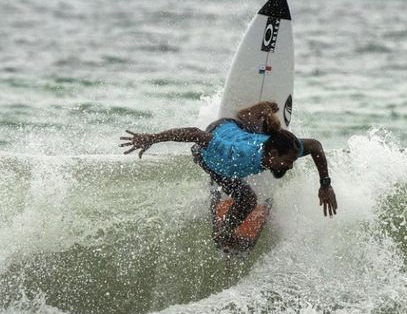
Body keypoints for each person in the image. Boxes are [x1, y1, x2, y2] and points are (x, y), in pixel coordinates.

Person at [120, 101, 337, 246]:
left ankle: (251, 115)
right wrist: (152, 138)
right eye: (288, 161)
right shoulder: (236, 153)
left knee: (251, 131)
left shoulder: (280, 147)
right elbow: (195, 134)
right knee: (247, 197)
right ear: (272, 154)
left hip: (241, 137)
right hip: (212, 150)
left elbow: (315, 146)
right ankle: (224, 234)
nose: (290, 166)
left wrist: (325, 184)